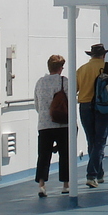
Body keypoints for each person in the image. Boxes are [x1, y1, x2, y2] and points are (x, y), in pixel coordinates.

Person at [76, 43, 108, 188]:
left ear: (91, 55)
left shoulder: (82, 69)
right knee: (100, 141)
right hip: (103, 108)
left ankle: (99, 173)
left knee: (92, 141)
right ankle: (91, 175)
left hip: (84, 106)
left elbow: (75, 89)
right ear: (104, 55)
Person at [34, 54, 71, 198]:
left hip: (44, 124)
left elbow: (37, 104)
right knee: (65, 154)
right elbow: (69, 102)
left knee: (43, 155)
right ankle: (66, 185)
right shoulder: (64, 81)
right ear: (61, 68)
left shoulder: (40, 82)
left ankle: (42, 185)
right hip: (62, 123)